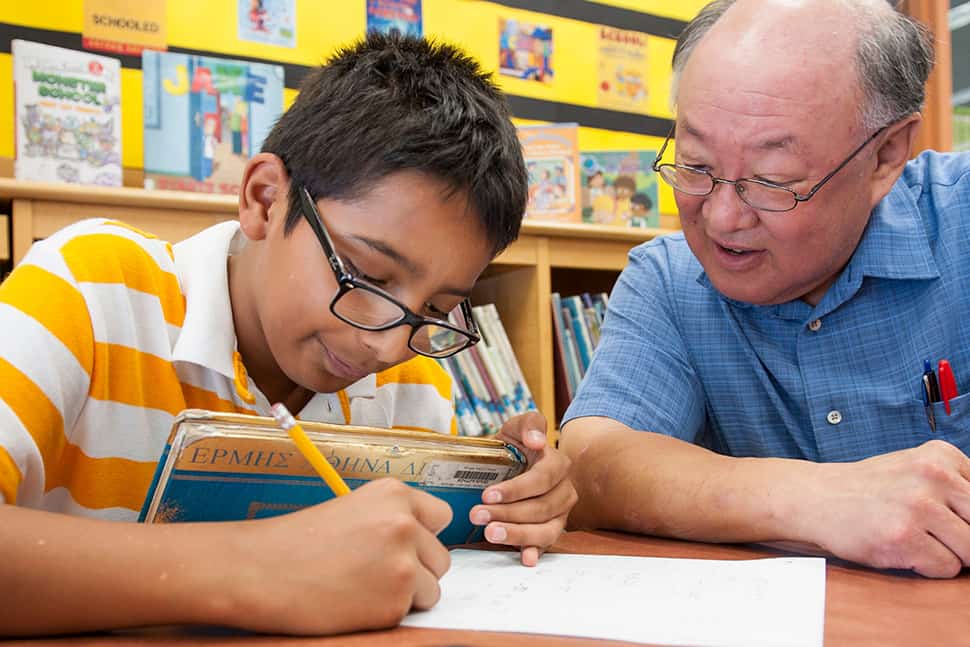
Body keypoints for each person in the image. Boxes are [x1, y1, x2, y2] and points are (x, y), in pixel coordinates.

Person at [0, 33, 575, 636]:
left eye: (436, 307)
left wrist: (503, 509)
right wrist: (247, 566)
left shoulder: (412, 385)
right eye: (367, 275)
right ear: (265, 200)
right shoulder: (92, 291)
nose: (385, 344)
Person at [561, 0, 970, 579]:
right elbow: (589, 465)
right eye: (696, 164)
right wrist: (820, 500)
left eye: (772, 182)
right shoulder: (671, 282)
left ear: (885, 155)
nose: (722, 218)